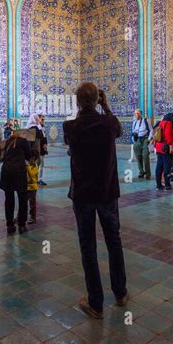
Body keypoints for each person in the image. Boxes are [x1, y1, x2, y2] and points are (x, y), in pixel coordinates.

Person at [63, 83, 127, 320]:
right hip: (107, 193)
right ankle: (120, 293)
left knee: (87, 246)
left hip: (82, 196)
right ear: (98, 100)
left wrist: (86, 107)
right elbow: (118, 129)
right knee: (114, 241)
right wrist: (106, 106)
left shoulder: (70, 127)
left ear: (78, 103)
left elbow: (75, 142)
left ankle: (96, 303)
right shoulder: (109, 124)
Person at [0, 130, 31, 234]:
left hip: (6, 171)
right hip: (19, 172)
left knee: (9, 199)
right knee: (22, 198)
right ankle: (21, 225)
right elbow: (28, 156)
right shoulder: (23, 141)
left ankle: (10, 226)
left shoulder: (6, 141)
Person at [154, 112, 173, 191]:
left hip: (158, 147)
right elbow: (168, 136)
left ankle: (158, 185)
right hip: (165, 148)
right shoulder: (168, 123)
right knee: (167, 167)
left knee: (159, 166)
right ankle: (167, 185)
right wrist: (170, 144)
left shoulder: (161, 122)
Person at [131, 108, 151, 179]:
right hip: (137, 140)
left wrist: (148, 139)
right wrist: (133, 140)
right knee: (138, 157)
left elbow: (151, 130)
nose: (136, 115)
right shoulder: (134, 122)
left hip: (144, 139)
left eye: (137, 113)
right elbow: (133, 131)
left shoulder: (146, 120)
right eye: (135, 113)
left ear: (140, 114)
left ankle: (148, 174)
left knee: (145, 156)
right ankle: (141, 172)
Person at [26, 154, 39, 223]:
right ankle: (20, 216)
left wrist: (27, 168)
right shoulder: (27, 166)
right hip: (26, 187)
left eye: (33, 159)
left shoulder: (35, 167)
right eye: (30, 159)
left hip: (32, 188)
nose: (31, 160)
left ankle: (33, 217)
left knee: (32, 203)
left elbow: (32, 178)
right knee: (23, 202)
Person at [38, 114, 48, 186]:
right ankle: (37, 179)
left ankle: (40, 179)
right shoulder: (37, 128)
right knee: (38, 165)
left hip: (42, 150)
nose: (43, 121)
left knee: (41, 165)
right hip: (38, 150)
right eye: (42, 119)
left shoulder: (42, 127)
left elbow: (44, 138)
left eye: (43, 119)